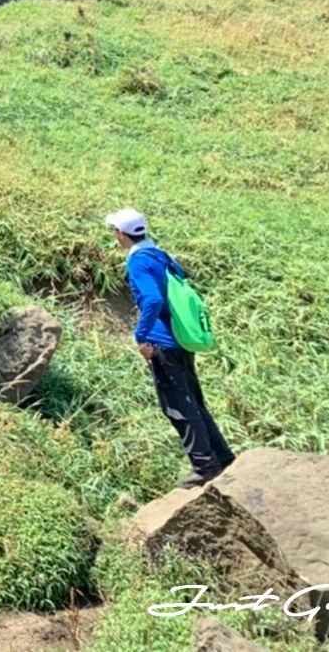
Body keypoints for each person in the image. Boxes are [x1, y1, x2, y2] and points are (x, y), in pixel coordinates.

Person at [106, 208, 236, 489]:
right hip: (181, 339)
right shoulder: (160, 255)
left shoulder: (139, 261)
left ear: (121, 234)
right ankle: (223, 457)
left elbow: (152, 300)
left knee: (177, 406)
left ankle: (205, 467)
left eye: (113, 231)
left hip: (162, 343)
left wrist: (141, 336)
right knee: (193, 400)